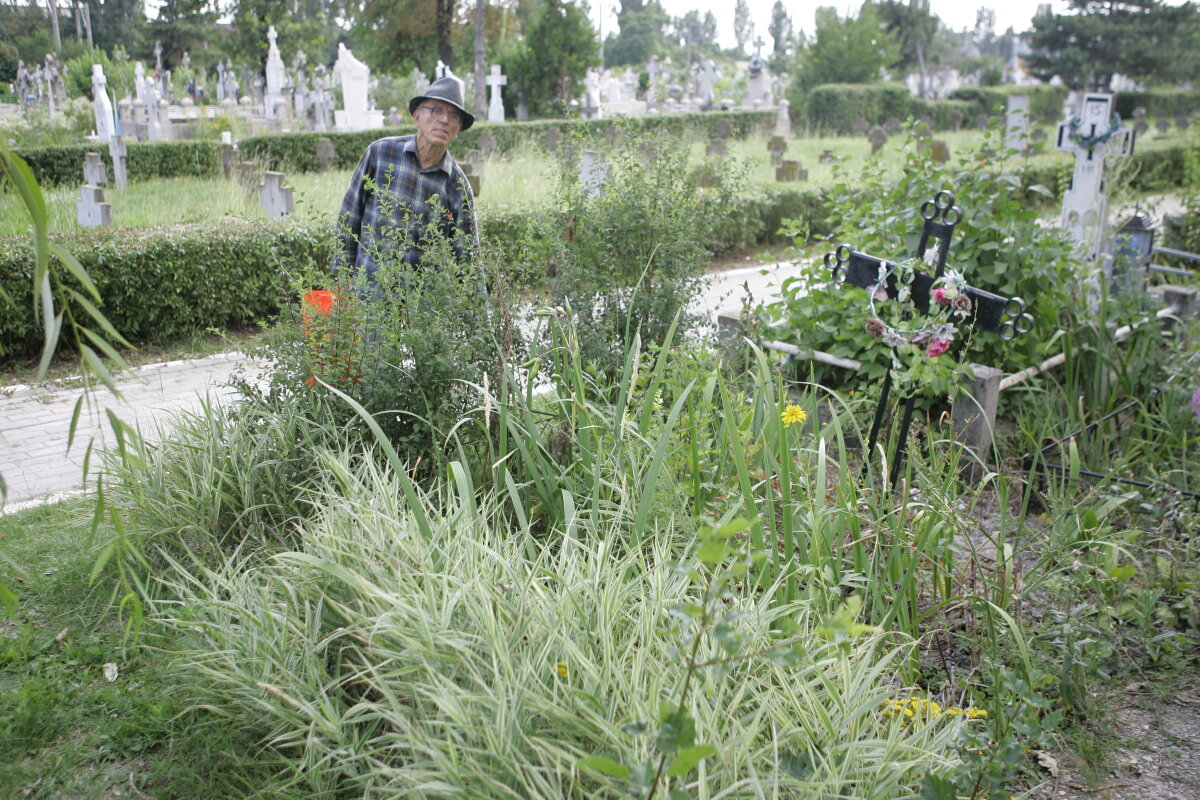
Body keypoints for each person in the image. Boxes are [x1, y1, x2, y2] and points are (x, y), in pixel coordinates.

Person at [334, 76, 478, 279]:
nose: (445, 120)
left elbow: (468, 258)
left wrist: (476, 308)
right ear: (417, 116)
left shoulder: (458, 186)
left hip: (422, 305)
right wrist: (343, 281)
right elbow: (349, 218)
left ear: (458, 130)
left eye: (454, 116)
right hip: (367, 297)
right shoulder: (381, 154)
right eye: (436, 110)